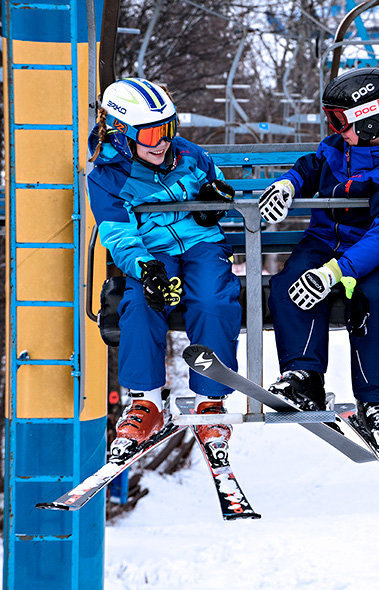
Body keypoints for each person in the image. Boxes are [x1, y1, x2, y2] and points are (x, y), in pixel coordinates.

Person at [258, 68, 379, 459]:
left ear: (370, 122)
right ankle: (303, 376)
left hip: (372, 254)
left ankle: (375, 401)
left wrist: (336, 272)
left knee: (374, 301)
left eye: (339, 120)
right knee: (288, 286)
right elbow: (310, 166)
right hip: (321, 242)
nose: (332, 128)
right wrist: (289, 185)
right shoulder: (337, 146)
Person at [87, 78, 241, 457]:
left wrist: (216, 198)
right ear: (122, 133)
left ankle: (210, 402)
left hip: (202, 246)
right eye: (151, 133)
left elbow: (217, 185)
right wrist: (146, 269)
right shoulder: (107, 178)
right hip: (154, 253)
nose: (162, 142)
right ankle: (147, 402)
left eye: (168, 129)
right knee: (141, 305)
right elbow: (118, 235)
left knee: (213, 300)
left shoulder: (190, 155)